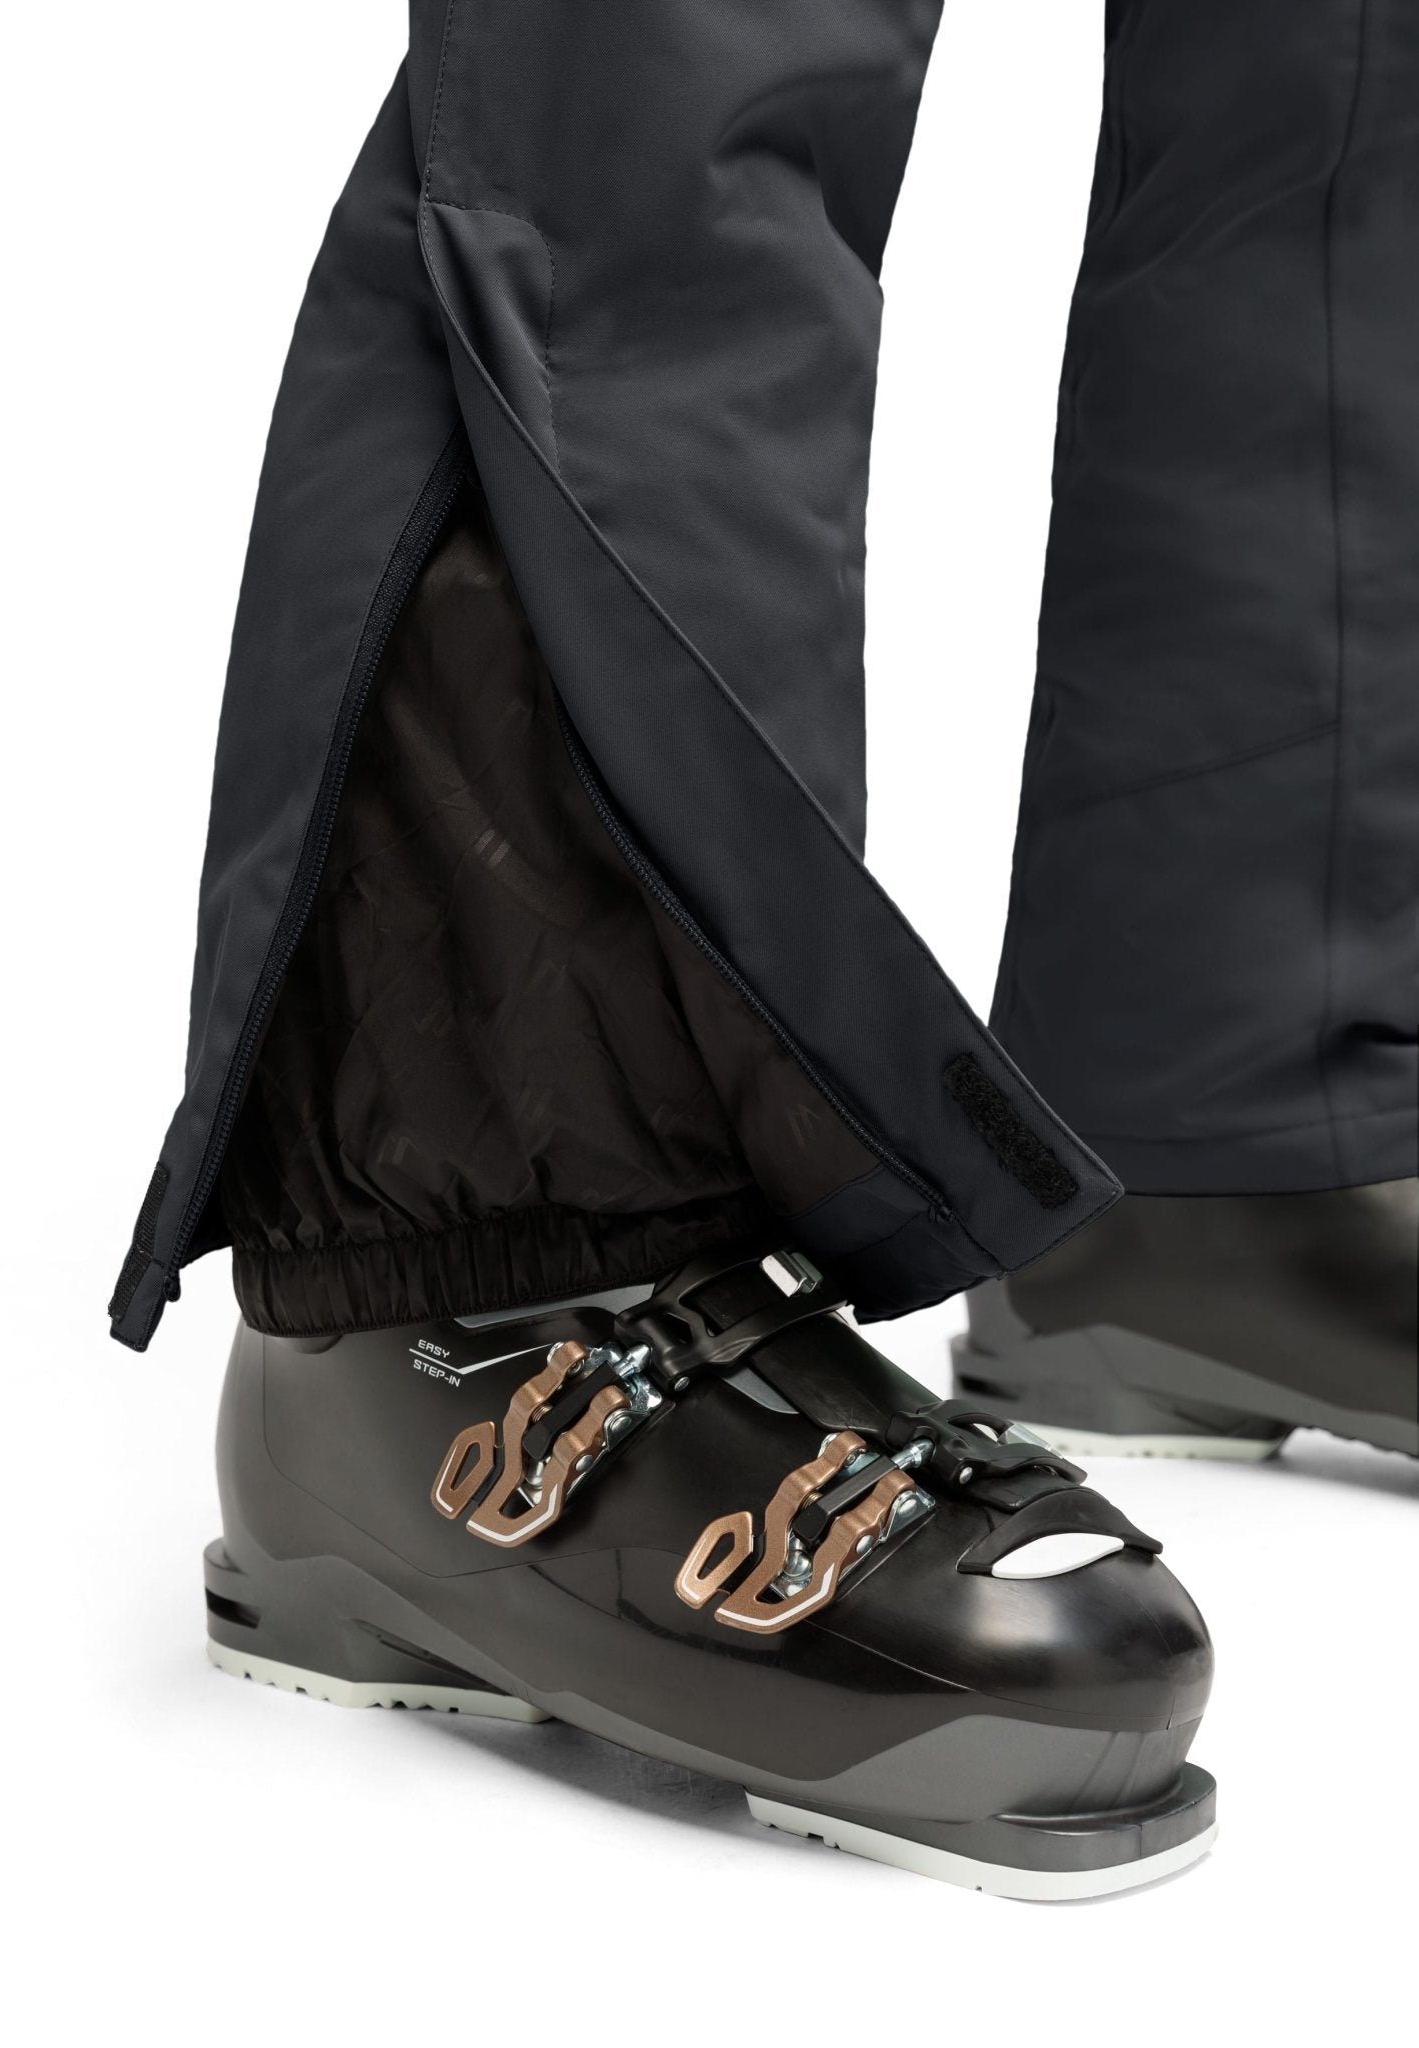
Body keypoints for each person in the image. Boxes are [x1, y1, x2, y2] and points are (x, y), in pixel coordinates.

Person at [110, 3, 1415, 1896]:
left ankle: (1253, 1115)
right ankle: (483, 1256)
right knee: (673, 51)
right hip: (495, 1213)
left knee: (1350, 75)